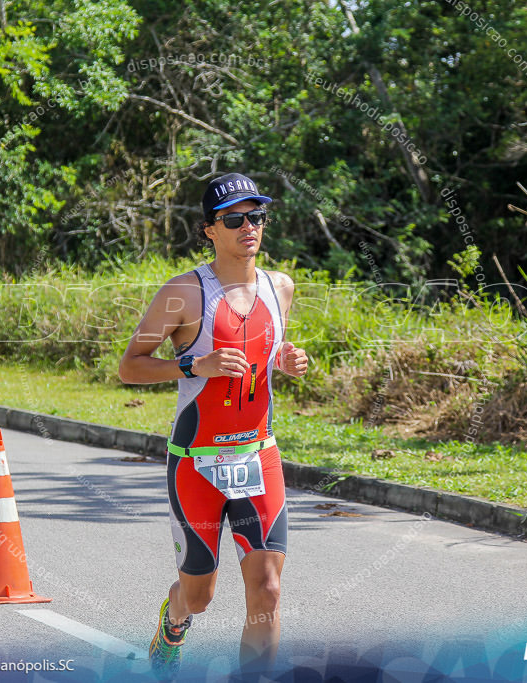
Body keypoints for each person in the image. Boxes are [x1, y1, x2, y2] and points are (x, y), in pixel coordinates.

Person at [118, 173, 309, 678]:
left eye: (257, 216)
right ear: (210, 230)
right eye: (234, 219)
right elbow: (131, 366)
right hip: (196, 464)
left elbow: (262, 359)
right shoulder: (183, 293)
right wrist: (190, 366)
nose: (249, 227)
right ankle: (172, 625)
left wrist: (284, 362)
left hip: (257, 457)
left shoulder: (280, 287)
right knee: (198, 596)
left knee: (267, 588)